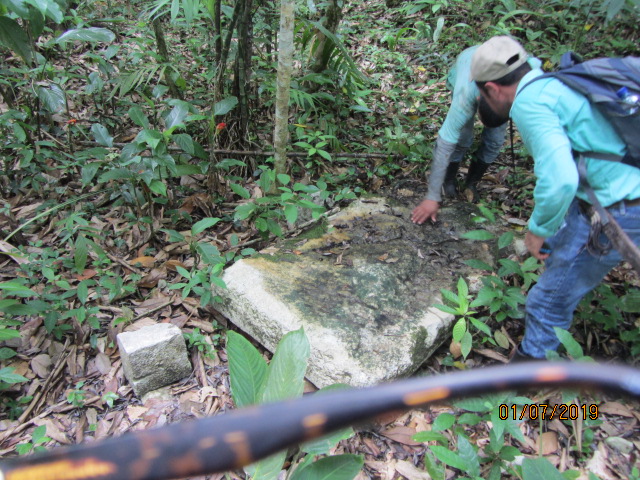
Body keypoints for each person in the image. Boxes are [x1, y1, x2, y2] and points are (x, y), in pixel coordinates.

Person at [470, 36, 640, 360]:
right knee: (564, 250)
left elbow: (561, 180)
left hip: (620, 207)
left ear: (492, 88)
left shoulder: (530, 101)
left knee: (546, 301)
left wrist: (538, 230)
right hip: (620, 191)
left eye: (482, 94)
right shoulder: (558, 81)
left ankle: (521, 387)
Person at [411, 45, 509, 225]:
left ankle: (471, 182)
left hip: (504, 69)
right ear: (478, 102)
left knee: (495, 141)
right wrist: (432, 196)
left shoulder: (522, 84)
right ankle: (449, 180)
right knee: (462, 138)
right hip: (469, 62)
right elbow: (445, 142)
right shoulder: (465, 96)